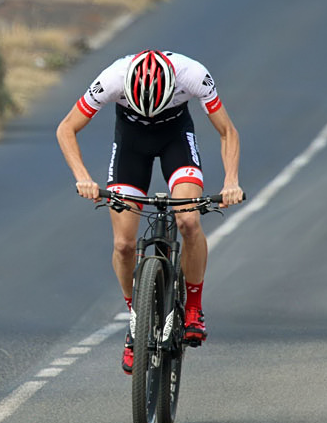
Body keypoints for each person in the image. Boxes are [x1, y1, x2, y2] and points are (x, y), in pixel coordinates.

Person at [56, 49, 243, 374]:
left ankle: (194, 308)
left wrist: (231, 181)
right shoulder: (113, 76)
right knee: (124, 245)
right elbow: (66, 128)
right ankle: (136, 318)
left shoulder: (193, 73)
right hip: (131, 145)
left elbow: (227, 131)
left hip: (176, 141)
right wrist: (82, 178)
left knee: (187, 220)